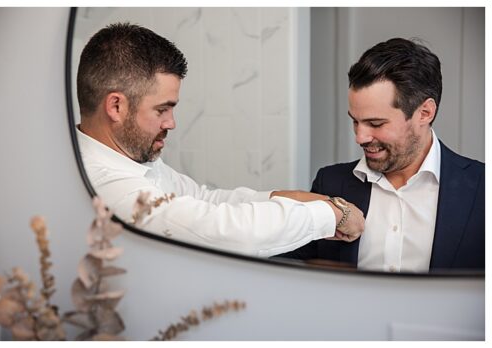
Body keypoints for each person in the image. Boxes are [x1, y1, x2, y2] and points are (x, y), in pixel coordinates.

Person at [76, 23, 366, 257]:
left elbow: (204, 199)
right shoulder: (103, 182)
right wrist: (330, 215)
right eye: (162, 109)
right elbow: (228, 232)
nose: (171, 123)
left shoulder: (131, 160)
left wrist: (283, 197)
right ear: (116, 107)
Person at [277, 38, 484, 272]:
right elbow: (285, 267)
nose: (360, 137)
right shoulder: (330, 183)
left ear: (425, 113)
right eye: (355, 121)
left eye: (375, 123)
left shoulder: (482, 189)